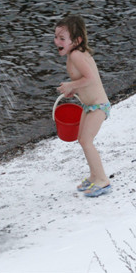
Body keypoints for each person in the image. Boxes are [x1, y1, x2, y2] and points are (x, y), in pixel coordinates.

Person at [54, 15, 112, 198]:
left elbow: (92, 78)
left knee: (86, 141)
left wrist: (71, 85)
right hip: (89, 106)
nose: (57, 41)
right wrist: (73, 90)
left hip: (98, 106)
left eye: (62, 38)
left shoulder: (77, 55)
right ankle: (94, 175)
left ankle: (103, 180)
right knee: (82, 139)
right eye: (56, 37)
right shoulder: (74, 54)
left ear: (77, 40)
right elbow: (84, 81)